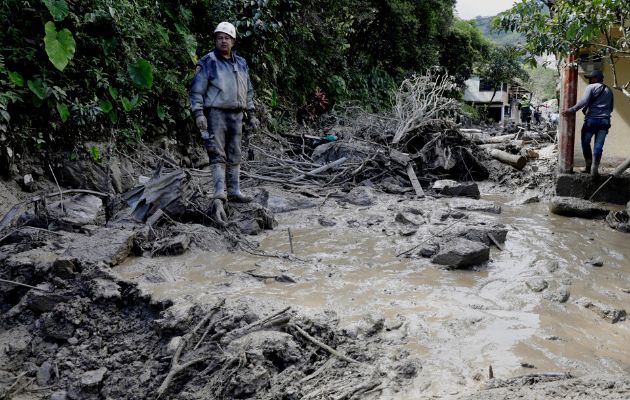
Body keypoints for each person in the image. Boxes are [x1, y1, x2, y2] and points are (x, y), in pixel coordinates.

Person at [189, 21, 259, 206]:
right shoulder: (208, 62)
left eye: (227, 38)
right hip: (216, 114)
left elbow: (248, 90)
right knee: (217, 152)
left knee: (235, 152)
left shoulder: (242, 63)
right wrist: (199, 114)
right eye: (219, 38)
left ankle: (234, 191)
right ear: (215, 40)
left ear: (233, 41)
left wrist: (251, 113)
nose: (223, 41)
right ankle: (220, 192)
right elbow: (196, 91)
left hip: (237, 115)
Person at [562, 69, 614, 176]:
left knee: (585, 143)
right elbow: (611, 107)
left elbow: (584, 101)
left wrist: (571, 110)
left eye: (590, 78)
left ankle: (588, 166)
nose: (589, 80)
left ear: (596, 78)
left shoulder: (591, 87)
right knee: (599, 145)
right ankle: (595, 166)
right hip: (605, 121)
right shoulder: (609, 90)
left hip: (591, 120)